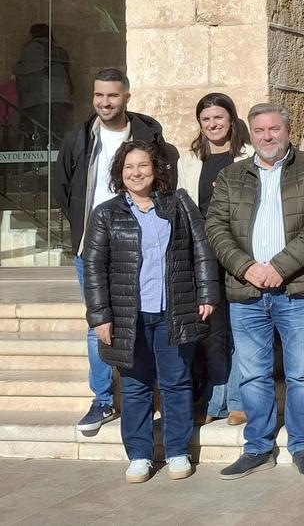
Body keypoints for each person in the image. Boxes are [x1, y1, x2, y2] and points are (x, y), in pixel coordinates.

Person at [205, 103, 304, 481]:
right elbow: (215, 228)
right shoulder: (232, 177)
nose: (267, 136)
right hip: (246, 291)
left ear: (287, 130)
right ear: (250, 134)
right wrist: (247, 267)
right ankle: (259, 446)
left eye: (274, 129)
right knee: (252, 375)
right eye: (260, 130)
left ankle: (301, 445)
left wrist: (279, 267)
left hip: (297, 290)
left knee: (300, 373)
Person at [82, 139, 220, 483]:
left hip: (175, 309)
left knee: (175, 383)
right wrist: (100, 316)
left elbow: (201, 251)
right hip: (130, 315)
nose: (136, 172)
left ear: (156, 169)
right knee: (134, 387)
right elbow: (94, 268)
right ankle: (140, 456)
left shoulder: (179, 204)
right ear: (119, 173)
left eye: (142, 165)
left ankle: (177, 451)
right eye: (128, 167)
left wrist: (207, 293)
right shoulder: (106, 213)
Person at [54, 68, 178, 433]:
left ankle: (148, 393)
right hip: (92, 250)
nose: (104, 102)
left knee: (149, 319)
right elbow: (62, 188)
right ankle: (104, 400)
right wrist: (86, 230)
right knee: (100, 324)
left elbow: (164, 182)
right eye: (98, 96)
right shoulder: (80, 137)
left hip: (143, 247)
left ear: (126, 97)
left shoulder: (148, 137)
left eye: (112, 96)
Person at [176, 93, 253, 426]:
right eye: (206, 119)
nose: (212, 125)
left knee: (240, 329)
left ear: (232, 119)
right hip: (204, 255)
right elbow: (183, 207)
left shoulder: (247, 156)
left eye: (219, 118)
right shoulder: (189, 160)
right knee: (213, 331)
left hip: (240, 251)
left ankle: (238, 399)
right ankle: (215, 397)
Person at [12, 23, 73, 140]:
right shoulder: (59, 51)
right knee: (58, 137)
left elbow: (25, 72)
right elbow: (69, 81)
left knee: (39, 137)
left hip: (39, 99)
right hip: (63, 99)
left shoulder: (32, 48)